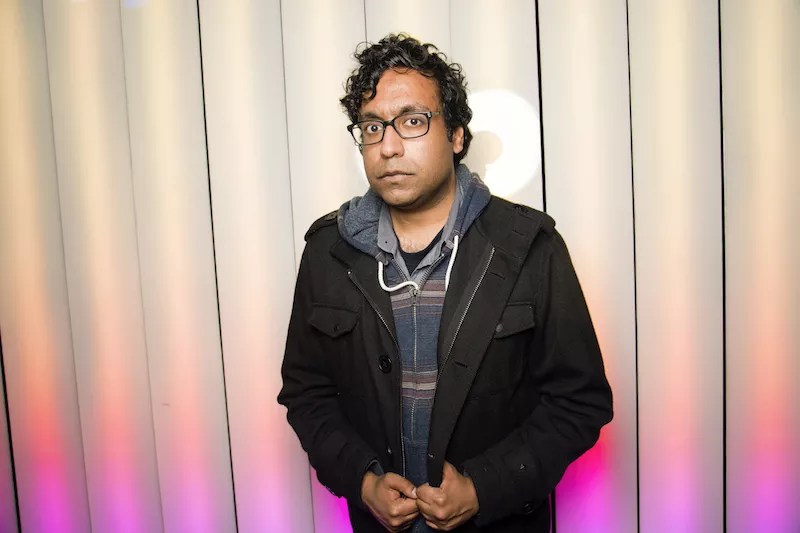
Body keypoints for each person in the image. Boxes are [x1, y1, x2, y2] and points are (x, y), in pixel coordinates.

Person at [278, 33, 613, 532]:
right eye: (372, 127)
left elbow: (579, 402)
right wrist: (362, 481)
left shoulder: (527, 247)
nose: (389, 146)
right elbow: (307, 394)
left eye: (412, 121)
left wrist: (484, 487)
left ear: (456, 135)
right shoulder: (328, 253)